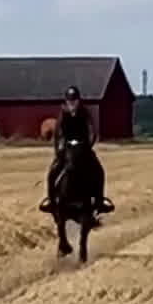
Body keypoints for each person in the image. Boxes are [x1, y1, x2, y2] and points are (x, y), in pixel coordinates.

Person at [41, 85, 111, 220]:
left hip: (83, 147)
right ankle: (51, 201)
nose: (72, 103)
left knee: (99, 170)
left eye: (74, 100)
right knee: (52, 172)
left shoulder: (85, 112)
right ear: (66, 101)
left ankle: (99, 201)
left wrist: (88, 145)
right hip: (67, 148)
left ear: (79, 101)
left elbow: (92, 131)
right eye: (69, 101)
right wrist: (58, 151)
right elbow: (58, 133)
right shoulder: (63, 114)